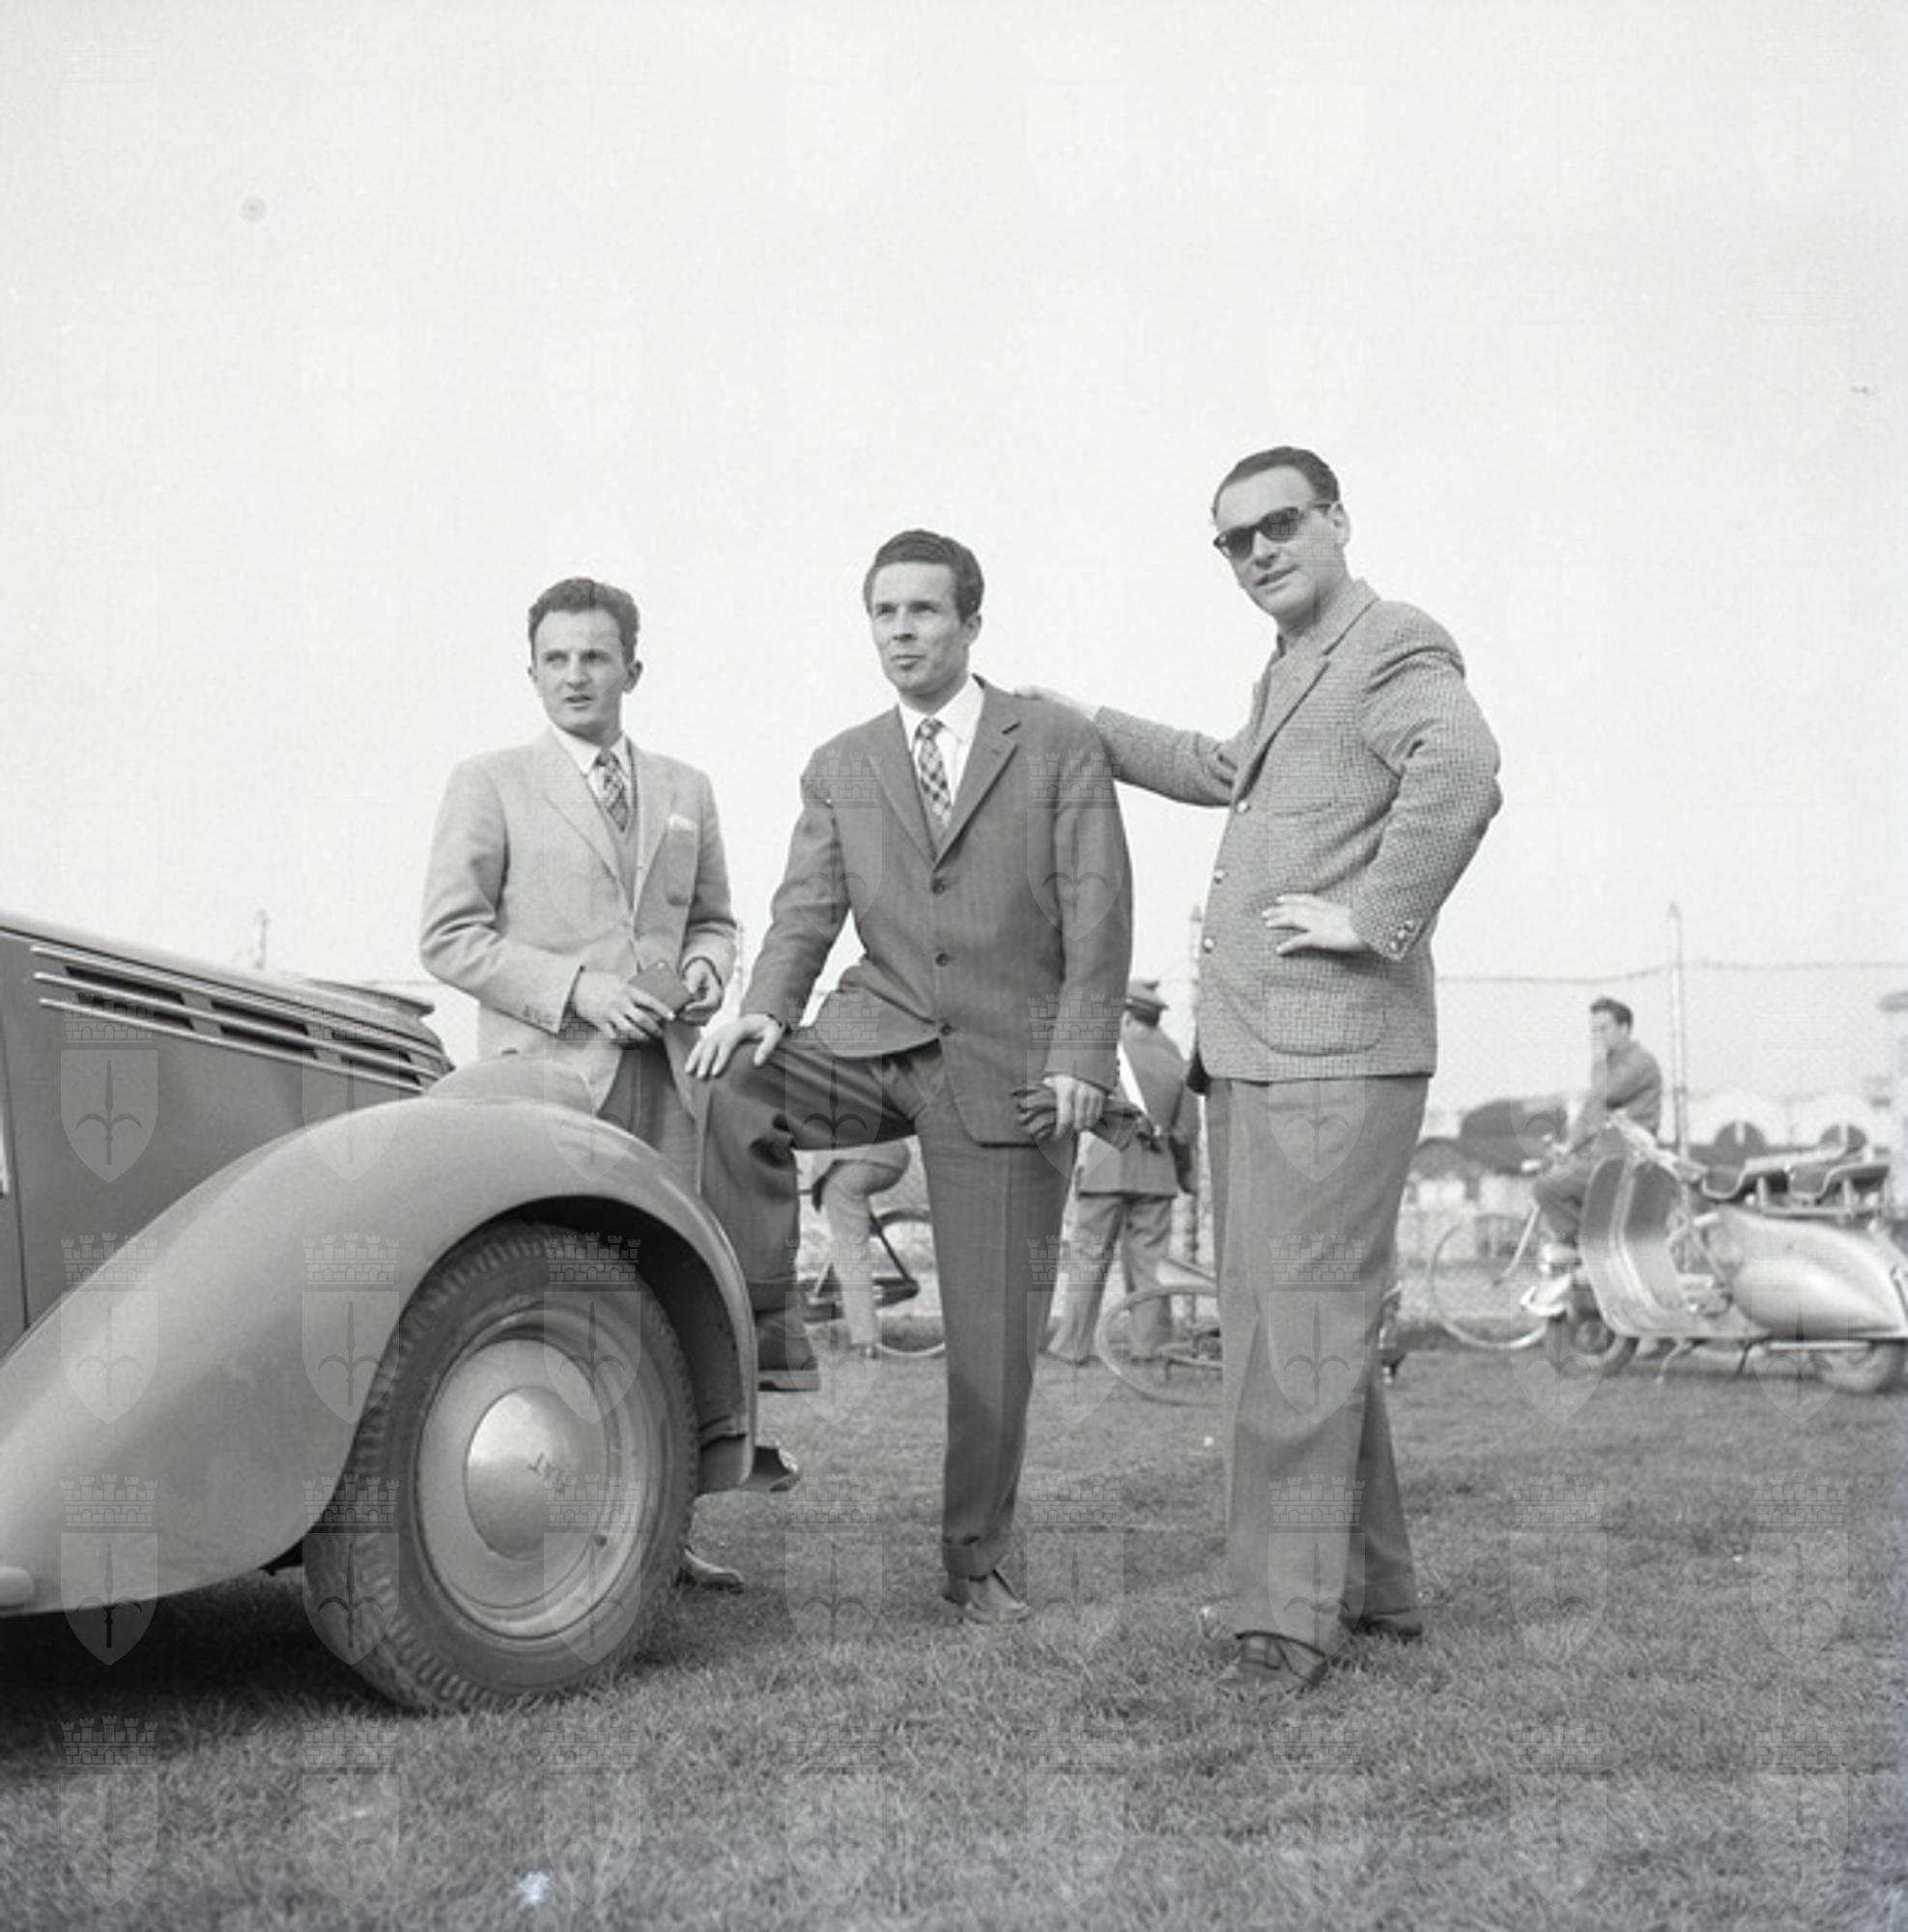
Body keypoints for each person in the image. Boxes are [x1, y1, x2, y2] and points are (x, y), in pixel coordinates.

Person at [1031, 445, 1500, 1696]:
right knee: (1296, 1328)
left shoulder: (1391, 641)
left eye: (1277, 524)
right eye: (1231, 541)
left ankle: (1283, 1624)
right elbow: (1221, 768)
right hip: (1254, 1058)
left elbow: (1461, 770)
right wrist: (1087, 724)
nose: (1255, 553)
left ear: (1336, 517)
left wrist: (1374, 916)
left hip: (1332, 1056)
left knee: (1291, 1339)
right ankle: (1374, 1587)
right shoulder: (1296, 663)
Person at [688, 528, 1132, 1627]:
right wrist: (765, 1006)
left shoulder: (1056, 744)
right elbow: (806, 908)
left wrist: (1079, 1059)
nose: (901, 632)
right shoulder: (841, 762)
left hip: (1010, 1069)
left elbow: (1099, 913)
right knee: (730, 1086)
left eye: (924, 610)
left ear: (971, 622)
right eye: (884, 612)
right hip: (871, 1040)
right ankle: (763, 1338)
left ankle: (974, 1562)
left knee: (991, 1349)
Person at [418, 573, 762, 1592]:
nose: (575, 675)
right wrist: (578, 991)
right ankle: (542, 1532)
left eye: (595, 657)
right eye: (556, 659)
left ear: (632, 669)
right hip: (546, 1083)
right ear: (530, 672)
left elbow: (714, 919)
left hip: (669, 1087)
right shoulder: (488, 782)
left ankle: (664, 1529)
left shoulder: (687, 788)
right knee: (559, 1300)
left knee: (661, 1306)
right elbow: (448, 936)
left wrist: (706, 967)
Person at [1044, 979, 1200, 1366]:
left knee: (1088, 1261)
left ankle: (1072, 1346)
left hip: (1106, 1169)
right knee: (1150, 1266)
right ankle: (1150, 1347)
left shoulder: (1106, 1054)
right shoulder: (1178, 1061)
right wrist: (1184, 1175)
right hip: (1157, 1175)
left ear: (1127, 1017)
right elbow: (1185, 1132)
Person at [1531, 996, 1664, 1248]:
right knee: (1558, 1181)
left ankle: (1587, 1247)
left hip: (1626, 1158)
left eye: (1604, 1028)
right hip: (1606, 1155)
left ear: (1624, 1028)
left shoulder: (1639, 1062)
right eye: (1594, 1030)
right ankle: (1589, 1244)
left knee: (1546, 1188)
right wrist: (1569, 1146)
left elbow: (1605, 1095)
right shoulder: (1613, 1064)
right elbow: (1591, 1111)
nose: (1597, 1036)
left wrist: (1598, 1061)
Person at [802, 1141, 916, 1354]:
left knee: (850, 1249)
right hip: (890, 1154)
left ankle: (866, 1341)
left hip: (850, 1160)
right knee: (851, 1233)